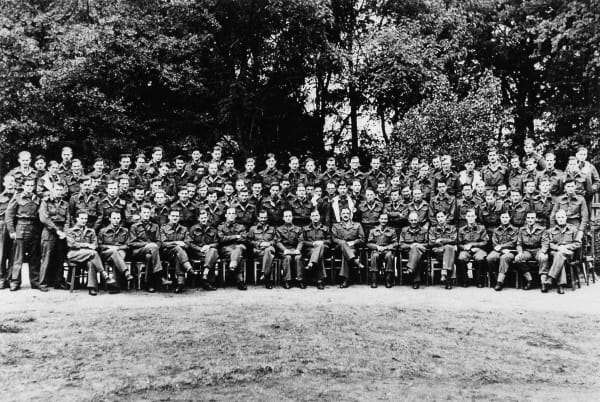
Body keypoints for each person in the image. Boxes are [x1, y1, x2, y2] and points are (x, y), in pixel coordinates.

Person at [66, 210, 116, 296]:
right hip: (74, 254)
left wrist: (89, 247)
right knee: (93, 253)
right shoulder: (70, 231)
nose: (84, 220)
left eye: (86, 218)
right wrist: (87, 245)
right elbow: (72, 244)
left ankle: (92, 288)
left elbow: (95, 245)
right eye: (82, 218)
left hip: (89, 255)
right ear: (77, 219)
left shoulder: (91, 231)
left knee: (91, 262)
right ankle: (104, 273)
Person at [5, 178, 41, 291]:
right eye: (28, 185)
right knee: (17, 257)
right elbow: (9, 215)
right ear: (24, 186)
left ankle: (35, 282)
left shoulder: (37, 199)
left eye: (32, 185)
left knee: (34, 257)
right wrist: (11, 231)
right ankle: (15, 282)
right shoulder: (17, 198)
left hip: (34, 229)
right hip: (21, 227)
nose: (30, 187)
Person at [128, 204, 171, 293]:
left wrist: (154, 247)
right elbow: (131, 243)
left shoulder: (155, 226)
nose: (146, 214)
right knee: (152, 248)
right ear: (140, 213)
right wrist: (147, 245)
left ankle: (148, 284)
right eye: (144, 212)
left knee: (149, 256)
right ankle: (159, 276)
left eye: (148, 212)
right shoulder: (134, 226)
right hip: (138, 252)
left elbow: (159, 241)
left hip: (152, 252)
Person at [38, 182, 70, 291]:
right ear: (52, 190)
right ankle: (43, 283)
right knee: (46, 257)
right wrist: (57, 230)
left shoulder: (65, 204)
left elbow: (67, 220)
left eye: (61, 189)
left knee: (60, 258)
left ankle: (58, 281)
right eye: (57, 189)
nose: (59, 191)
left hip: (61, 233)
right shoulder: (45, 202)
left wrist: (65, 232)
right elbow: (44, 218)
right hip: (49, 231)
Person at [542, 209, 582, 294]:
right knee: (559, 256)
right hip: (555, 252)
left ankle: (550, 278)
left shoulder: (573, 229)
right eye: (559, 217)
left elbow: (578, 243)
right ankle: (561, 285)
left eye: (562, 217)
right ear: (556, 219)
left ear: (566, 218)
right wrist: (558, 248)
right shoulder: (551, 230)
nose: (561, 219)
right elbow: (549, 244)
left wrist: (567, 246)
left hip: (569, 252)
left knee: (559, 255)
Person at [98, 211, 134, 290]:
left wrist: (118, 248)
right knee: (116, 253)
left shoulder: (125, 230)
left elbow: (128, 245)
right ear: (110, 219)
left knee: (117, 254)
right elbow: (99, 245)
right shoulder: (103, 231)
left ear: (120, 219)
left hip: (119, 252)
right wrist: (109, 247)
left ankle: (114, 285)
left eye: (118, 218)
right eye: (114, 218)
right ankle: (126, 272)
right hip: (106, 253)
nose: (116, 220)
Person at [331, 207, 365, 288]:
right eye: (343, 213)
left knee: (345, 254)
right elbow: (334, 238)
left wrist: (353, 242)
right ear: (340, 215)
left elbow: (362, 239)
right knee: (343, 244)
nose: (345, 215)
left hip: (352, 248)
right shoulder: (336, 225)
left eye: (347, 213)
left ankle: (345, 279)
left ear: (350, 215)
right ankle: (355, 261)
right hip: (339, 248)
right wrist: (344, 243)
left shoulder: (357, 225)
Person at [486, 211, 519, 291]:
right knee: (489, 258)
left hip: (510, 251)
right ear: (500, 218)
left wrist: (502, 247)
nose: (504, 219)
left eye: (506, 217)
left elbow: (514, 242)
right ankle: (495, 277)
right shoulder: (496, 230)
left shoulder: (515, 229)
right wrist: (501, 249)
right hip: (498, 250)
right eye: (503, 217)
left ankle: (499, 282)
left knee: (504, 258)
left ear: (510, 218)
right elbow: (494, 243)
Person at [514, 211, 546, 291]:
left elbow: (545, 243)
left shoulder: (542, 229)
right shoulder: (522, 230)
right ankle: (529, 280)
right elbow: (519, 243)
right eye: (528, 218)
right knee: (518, 259)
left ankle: (543, 282)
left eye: (532, 218)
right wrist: (520, 252)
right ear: (525, 219)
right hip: (527, 250)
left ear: (536, 219)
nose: (530, 219)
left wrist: (542, 252)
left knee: (544, 258)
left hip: (538, 249)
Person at [217, 207, 248, 290]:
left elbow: (244, 239)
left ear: (235, 215)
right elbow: (221, 239)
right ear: (226, 215)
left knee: (239, 248)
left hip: (239, 247)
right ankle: (240, 281)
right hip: (226, 248)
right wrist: (236, 236)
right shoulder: (221, 227)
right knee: (238, 255)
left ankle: (233, 264)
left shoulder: (241, 227)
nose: (231, 215)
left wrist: (229, 238)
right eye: (229, 214)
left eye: (233, 214)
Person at [187, 210, 219, 290]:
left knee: (213, 251)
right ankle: (207, 280)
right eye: (202, 218)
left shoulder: (212, 229)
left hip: (209, 252)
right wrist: (200, 249)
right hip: (197, 253)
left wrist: (208, 246)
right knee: (213, 254)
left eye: (205, 217)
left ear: (208, 218)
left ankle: (205, 275)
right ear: (198, 219)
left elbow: (216, 243)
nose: (204, 219)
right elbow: (190, 243)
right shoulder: (193, 229)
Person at [457, 209, 489, 287]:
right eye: (468, 216)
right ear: (465, 217)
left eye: (472, 216)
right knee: (461, 257)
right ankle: (465, 280)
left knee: (480, 257)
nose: (470, 218)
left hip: (478, 249)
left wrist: (474, 245)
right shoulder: (461, 229)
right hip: (466, 250)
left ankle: (478, 280)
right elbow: (459, 244)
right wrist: (465, 248)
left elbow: (485, 242)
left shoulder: (481, 228)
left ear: (475, 217)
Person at [300, 210, 331, 290]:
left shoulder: (325, 228)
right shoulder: (305, 228)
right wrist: (313, 244)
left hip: (324, 249)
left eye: (317, 215)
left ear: (319, 217)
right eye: (313, 216)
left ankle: (311, 263)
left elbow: (330, 241)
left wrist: (322, 242)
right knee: (318, 256)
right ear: (310, 217)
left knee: (320, 247)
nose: (315, 217)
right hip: (310, 250)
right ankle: (320, 281)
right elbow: (302, 241)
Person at [247, 210, 277, 289]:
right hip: (258, 251)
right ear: (258, 218)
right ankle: (267, 277)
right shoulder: (252, 229)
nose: (263, 219)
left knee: (269, 250)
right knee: (268, 254)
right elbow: (249, 241)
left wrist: (269, 243)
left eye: (264, 218)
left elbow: (276, 240)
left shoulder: (272, 228)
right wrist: (259, 244)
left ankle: (264, 273)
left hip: (270, 248)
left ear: (267, 218)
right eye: (261, 217)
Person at [367, 213, 398, 288]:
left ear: (387, 220)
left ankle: (388, 280)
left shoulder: (392, 230)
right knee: (374, 256)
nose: (383, 220)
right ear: (379, 220)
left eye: (385, 219)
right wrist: (377, 247)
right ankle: (374, 280)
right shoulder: (373, 230)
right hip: (377, 250)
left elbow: (395, 243)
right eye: (382, 219)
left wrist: (387, 247)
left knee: (389, 256)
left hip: (387, 250)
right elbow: (369, 243)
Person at [399, 212, 428, 289]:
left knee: (416, 252)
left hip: (421, 252)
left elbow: (428, 244)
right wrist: (410, 246)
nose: (413, 222)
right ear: (408, 220)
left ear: (418, 220)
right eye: (412, 220)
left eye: (415, 220)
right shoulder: (404, 230)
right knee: (416, 255)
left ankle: (410, 269)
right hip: (407, 252)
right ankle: (416, 281)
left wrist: (418, 245)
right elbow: (401, 244)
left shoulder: (424, 230)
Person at [428, 210, 456, 289]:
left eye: (442, 217)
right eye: (438, 217)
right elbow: (431, 242)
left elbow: (454, 240)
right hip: (437, 251)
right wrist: (447, 242)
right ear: (436, 218)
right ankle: (447, 279)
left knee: (448, 249)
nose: (440, 219)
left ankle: (445, 274)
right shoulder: (432, 229)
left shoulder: (452, 228)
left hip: (447, 251)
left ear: (445, 217)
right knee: (449, 248)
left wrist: (440, 240)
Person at [0, 175, 16, 289]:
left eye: (12, 181)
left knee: (13, 254)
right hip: (2, 227)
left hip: (16, 226)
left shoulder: (18, 197)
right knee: (1, 254)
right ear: (4, 184)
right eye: (8, 181)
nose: (10, 183)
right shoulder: (0, 197)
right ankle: (1, 278)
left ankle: (11, 278)